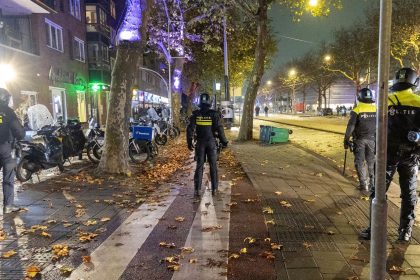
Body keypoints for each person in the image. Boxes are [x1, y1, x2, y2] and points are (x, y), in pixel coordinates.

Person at [360, 67, 420, 241]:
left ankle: (375, 229)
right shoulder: (418, 101)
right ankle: (405, 232)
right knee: (409, 193)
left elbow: (378, 129)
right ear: (413, 82)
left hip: (387, 154)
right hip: (410, 155)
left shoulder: (386, 100)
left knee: (378, 192)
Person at [187, 93, 228, 197]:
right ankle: (214, 189)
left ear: (199, 102)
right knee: (213, 166)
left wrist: (189, 142)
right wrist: (224, 141)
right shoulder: (214, 114)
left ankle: (197, 190)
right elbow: (219, 128)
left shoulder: (195, 114)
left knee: (199, 166)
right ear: (210, 102)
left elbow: (190, 129)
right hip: (211, 143)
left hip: (200, 143)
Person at [344, 88, 376, 191]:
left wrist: (346, 139)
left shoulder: (356, 110)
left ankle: (363, 185)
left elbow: (351, 126)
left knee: (360, 162)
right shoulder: (376, 110)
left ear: (359, 98)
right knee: (371, 162)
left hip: (359, 141)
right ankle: (373, 184)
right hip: (372, 140)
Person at [0, 88, 25, 214]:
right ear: (5, 98)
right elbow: (19, 132)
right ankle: (8, 206)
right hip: (6, 149)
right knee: (8, 177)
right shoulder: (8, 112)